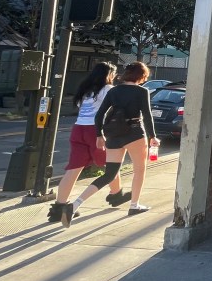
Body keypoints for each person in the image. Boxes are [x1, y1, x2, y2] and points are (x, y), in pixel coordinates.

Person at [59, 61, 159, 227]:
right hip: (134, 133)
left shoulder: (115, 90)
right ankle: (134, 205)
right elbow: (147, 116)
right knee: (139, 170)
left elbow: (99, 116)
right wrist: (153, 136)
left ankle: (74, 204)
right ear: (141, 76)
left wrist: (99, 135)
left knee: (109, 174)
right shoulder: (142, 91)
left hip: (113, 135)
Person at [47, 62, 130, 223]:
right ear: (108, 74)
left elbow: (80, 107)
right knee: (111, 164)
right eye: (113, 74)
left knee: (73, 170)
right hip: (96, 131)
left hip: (78, 129)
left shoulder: (85, 90)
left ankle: (59, 208)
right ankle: (116, 195)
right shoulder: (108, 89)